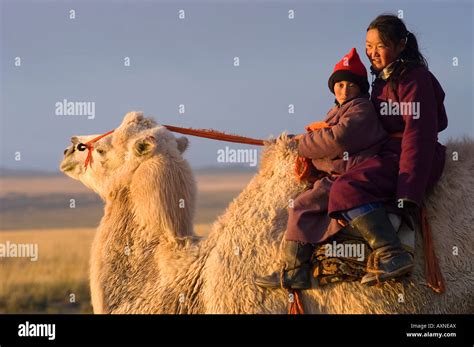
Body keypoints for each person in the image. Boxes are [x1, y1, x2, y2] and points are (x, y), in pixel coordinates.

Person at [256, 47, 390, 289]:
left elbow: (336, 140)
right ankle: (295, 270)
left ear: (361, 88)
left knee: (303, 204)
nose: (344, 90)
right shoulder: (336, 111)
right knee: (300, 204)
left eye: (351, 85)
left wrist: (300, 145)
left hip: (351, 173)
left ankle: (296, 272)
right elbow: (325, 136)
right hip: (338, 172)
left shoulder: (361, 109)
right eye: (339, 85)